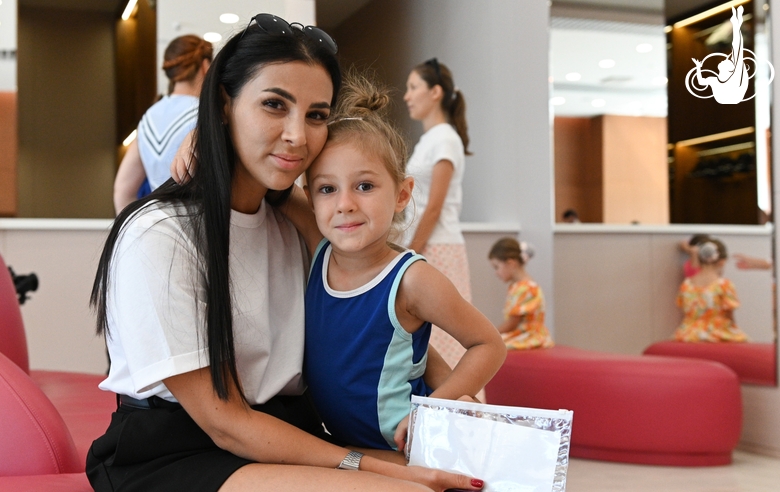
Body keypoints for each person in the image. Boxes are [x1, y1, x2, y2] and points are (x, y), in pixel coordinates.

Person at [87, 14, 484, 492]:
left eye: (317, 115)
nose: (298, 134)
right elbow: (225, 422)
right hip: (179, 452)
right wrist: (374, 465)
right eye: (274, 105)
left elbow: (389, 321)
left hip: (288, 433)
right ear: (223, 105)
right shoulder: (160, 234)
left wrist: (445, 409)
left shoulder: (300, 222)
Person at [281, 72, 505, 455]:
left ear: (401, 194)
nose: (345, 203)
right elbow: (263, 175)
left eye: (365, 186)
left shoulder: (413, 280)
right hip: (345, 446)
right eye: (327, 189)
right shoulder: (320, 246)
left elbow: (488, 344)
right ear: (310, 196)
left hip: (405, 449)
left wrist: (434, 408)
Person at [400, 57, 473, 373]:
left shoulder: (445, 138)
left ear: (436, 93)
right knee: (426, 337)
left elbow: (434, 206)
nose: (407, 95)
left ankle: (461, 409)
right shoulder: (428, 141)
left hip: (437, 247)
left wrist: (409, 252)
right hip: (425, 246)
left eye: (413, 87)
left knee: (445, 338)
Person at [113, 35, 213, 215]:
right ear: (206, 66)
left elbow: (123, 191)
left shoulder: (149, 117)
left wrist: (135, 232)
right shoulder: (206, 114)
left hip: (158, 226)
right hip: (199, 226)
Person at [674, 239, 749, 343]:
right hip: (716, 333)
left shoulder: (686, 285)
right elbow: (730, 317)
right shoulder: (724, 285)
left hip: (687, 334)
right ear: (722, 262)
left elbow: (685, 312)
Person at [488, 237, 554, 350]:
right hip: (521, 333)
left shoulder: (527, 288)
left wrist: (490, 335)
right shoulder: (516, 287)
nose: (496, 273)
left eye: (497, 267)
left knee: (493, 347)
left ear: (511, 263)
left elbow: (512, 322)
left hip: (530, 335)